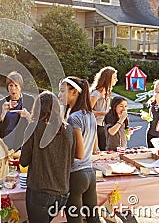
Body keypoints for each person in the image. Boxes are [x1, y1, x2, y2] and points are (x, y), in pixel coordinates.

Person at [20, 91, 76, 222]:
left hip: (40, 192)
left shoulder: (33, 128)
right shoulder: (68, 129)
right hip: (62, 193)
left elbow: (23, 161)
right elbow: (71, 160)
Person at [58, 77, 100, 223]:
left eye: (62, 91)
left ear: (74, 92)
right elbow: (94, 148)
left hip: (76, 175)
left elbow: (79, 154)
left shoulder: (73, 118)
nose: (59, 95)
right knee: (93, 218)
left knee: (75, 220)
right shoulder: (90, 115)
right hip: (90, 174)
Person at [0, 71, 34, 149]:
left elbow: (34, 124)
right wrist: (3, 113)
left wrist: (27, 116)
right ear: (7, 87)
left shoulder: (29, 100)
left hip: (22, 140)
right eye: (10, 85)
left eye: (16, 85)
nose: (13, 89)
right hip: (6, 140)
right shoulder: (2, 102)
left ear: (21, 87)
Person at [90, 66, 118, 151]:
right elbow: (87, 111)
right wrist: (103, 113)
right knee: (103, 149)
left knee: (107, 148)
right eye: (114, 78)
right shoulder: (96, 93)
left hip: (103, 124)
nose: (116, 80)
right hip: (95, 125)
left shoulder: (107, 92)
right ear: (107, 79)